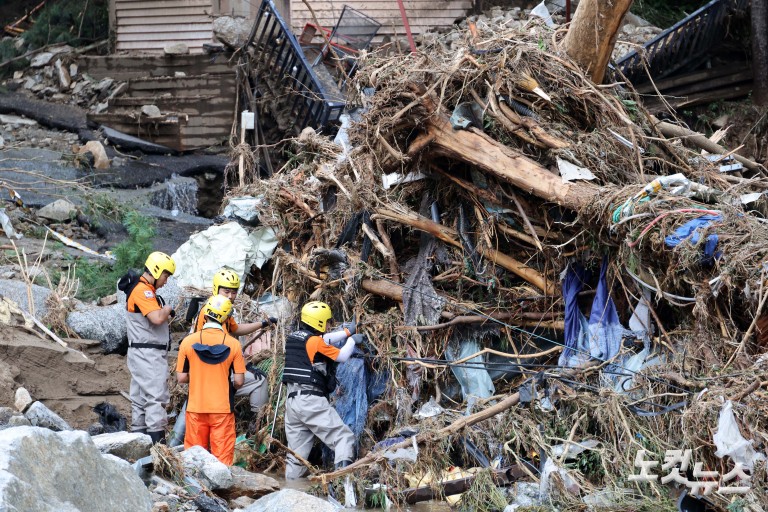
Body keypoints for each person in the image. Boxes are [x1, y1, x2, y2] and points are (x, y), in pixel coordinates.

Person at [282, 301, 360, 479]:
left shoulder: (295, 337)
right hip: (310, 401)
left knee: (297, 455)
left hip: (292, 403)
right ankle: (344, 485)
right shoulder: (315, 341)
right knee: (343, 438)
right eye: (326, 322)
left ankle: (291, 492)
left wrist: (347, 331)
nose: (328, 326)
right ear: (319, 323)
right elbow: (342, 356)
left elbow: (325, 340)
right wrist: (352, 341)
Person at [192, 267, 278, 414]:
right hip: (215, 370)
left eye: (233, 292)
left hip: (209, 369)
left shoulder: (219, 310)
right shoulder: (211, 312)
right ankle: (257, 421)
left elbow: (235, 329)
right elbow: (224, 346)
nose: (230, 296)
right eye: (226, 291)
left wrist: (262, 324)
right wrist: (243, 366)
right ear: (216, 289)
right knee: (260, 380)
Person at [176, 295, 246, 466]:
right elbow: (239, 381)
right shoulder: (233, 344)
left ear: (206, 313)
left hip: (195, 409)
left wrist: (200, 375)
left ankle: (195, 491)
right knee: (222, 461)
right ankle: (221, 492)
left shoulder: (187, 342)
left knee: (193, 460)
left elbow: (181, 378)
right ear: (226, 318)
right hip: (222, 410)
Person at [121, 251, 176, 445]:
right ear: (156, 270)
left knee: (140, 399)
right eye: (166, 275)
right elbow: (157, 318)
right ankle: (157, 448)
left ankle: (140, 445)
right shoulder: (142, 291)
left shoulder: (143, 290)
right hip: (148, 353)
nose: (166, 281)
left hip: (141, 352)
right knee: (155, 398)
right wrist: (168, 309)